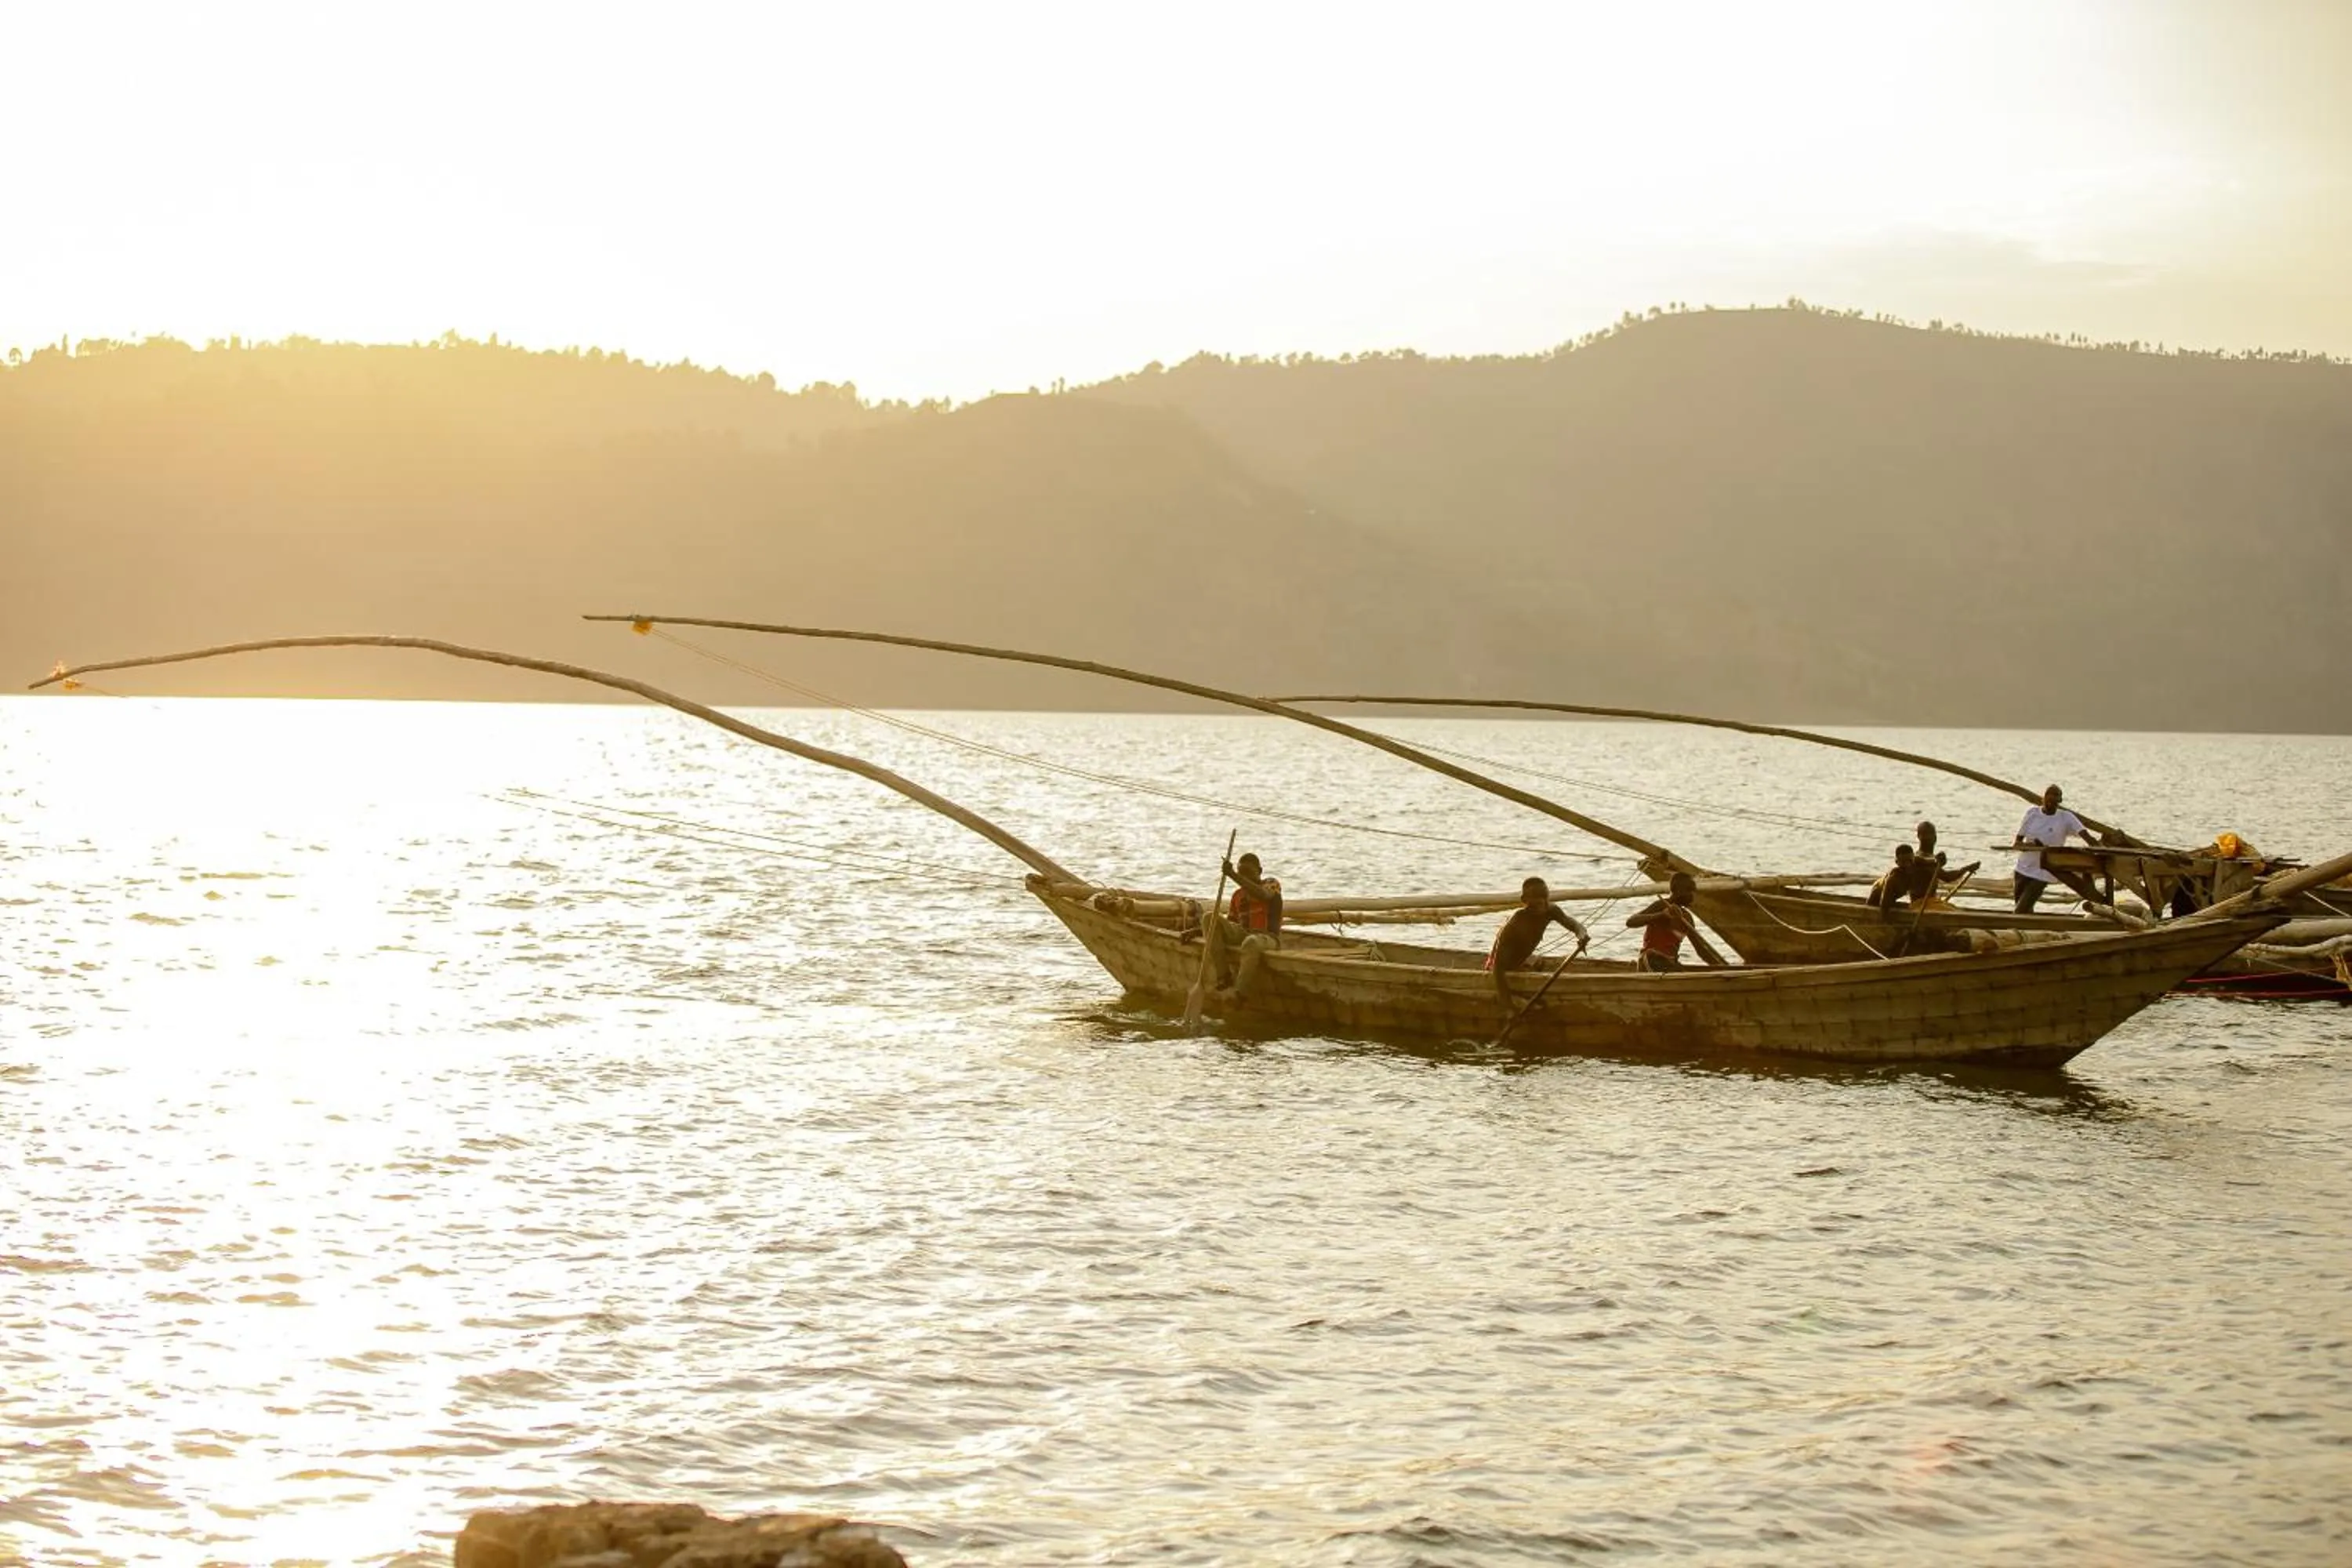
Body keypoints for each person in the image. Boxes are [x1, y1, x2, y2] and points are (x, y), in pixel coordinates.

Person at [1487, 877, 1590, 1004]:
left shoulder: (1550, 910)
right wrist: (1508, 1005)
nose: (1543, 905)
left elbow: (1574, 925)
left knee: (1539, 963)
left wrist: (1581, 936)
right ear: (1524, 901)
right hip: (1502, 969)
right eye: (1537, 901)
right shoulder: (1516, 922)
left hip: (1522, 962)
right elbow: (1497, 969)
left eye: (1545, 899)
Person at [1202, 851, 1283, 1000]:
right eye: (1241, 873)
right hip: (1243, 933)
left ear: (1260, 872)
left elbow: (1263, 895)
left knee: (1250, 942)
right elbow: (1231, 924)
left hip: (1268, 938)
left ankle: (1240, 993)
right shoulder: (1238, 895)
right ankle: (1224, 976)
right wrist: (1202, 931)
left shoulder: (1271, 884)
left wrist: (1233, 875)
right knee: (1209, 918)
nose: (1244, 877)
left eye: (1249, 873)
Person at [2011, 784, 2094, 912]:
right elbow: (2017, 844)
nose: (2051, 800)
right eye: (2048, 796)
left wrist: (2099, 848)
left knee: (2020, 910)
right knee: (2024, 909)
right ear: (2043, 798)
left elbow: (2087, 837)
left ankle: (2019, 926)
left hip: (2045, 871)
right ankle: (2030, 930)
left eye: (2055, 797)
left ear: (2060, 801)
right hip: (2023, 868)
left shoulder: (2066, 817)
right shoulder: (2032, 813)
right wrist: (2033, 846)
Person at [1626, 870, 1729, 971]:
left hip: (1669, 963)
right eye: (1688, 890)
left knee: (1682, 973)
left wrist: (1721, 969)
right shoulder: (1661, 906)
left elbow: (1700, 950)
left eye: (1692, 891)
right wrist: (1660, 915)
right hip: (1652, 960)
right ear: (1677, 890)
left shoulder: (1687, 917)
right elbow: (1631, 922)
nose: (1692, 895)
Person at [1866, 843, 1918, 909]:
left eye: (1910, 861)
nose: (1908, 865)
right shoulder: (1893, 879)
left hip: (1891, 901)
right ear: (1897, 862)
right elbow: (1884, 904)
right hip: (1876, 902)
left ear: (1914, 858)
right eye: (1903, 862)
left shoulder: (1914, 872)